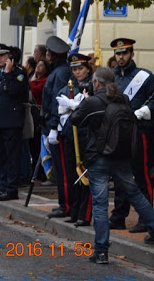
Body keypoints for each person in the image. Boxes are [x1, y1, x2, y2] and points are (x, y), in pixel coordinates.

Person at [71, 66, 154, 264]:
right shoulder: (123, 99)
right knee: (135, 194)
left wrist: (81, 101)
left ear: (97, 83)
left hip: (99, 159)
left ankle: (101, 251)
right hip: (121, 157)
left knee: (100, 204)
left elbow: (75, 120)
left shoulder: (92, 102)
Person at [107, 38, 154, 233]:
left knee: (141, 177)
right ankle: (119, 216)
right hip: (119, 134)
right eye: (118, 54)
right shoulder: (113, 79)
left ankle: (147, 218)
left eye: (124, 53)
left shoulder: (145, 76)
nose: (121, 57)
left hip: (139, 131)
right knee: (119, 177)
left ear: (132, 54)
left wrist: (145, 110)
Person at [55, 53, 94, 226]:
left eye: (81, 69)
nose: (78, 73)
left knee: (85, 175)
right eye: (75, 69)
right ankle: (75, 210)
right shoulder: (68, 87)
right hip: (70, 134)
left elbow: (95, 103)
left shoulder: (93, 85)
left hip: (86, 135)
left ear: (88, 69)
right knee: (72, 175)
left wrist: (76, 106)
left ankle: (84, 215)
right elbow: (57, 105)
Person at [0, 44, 28, 201]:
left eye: (3, 56)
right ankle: (2, 186)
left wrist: (9, 73)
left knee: (12, 157)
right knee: (0, 156)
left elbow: (14, 92)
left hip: (11, 121)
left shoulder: (18, 74)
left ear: (11, 58)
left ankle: (11, 189)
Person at [42, 36, 73, 218]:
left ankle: (66, 205)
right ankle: (65, 203)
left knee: (63, 170)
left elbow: (57, 102)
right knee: (61, 170)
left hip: (58, 127)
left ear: (51, 55)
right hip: (53, 124)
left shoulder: (60, 73)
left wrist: (53, 126)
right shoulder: (58, 71)